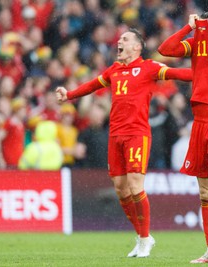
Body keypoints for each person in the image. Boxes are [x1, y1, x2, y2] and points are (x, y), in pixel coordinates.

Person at [56, 28, 192, 258]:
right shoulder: (114, 70)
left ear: (137, 47)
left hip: (137, 134)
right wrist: (69, 95)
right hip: (115, 134)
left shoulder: (150, 67)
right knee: (120, 189)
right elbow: (92, 85)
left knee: (135, 184)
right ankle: (142, 237)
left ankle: (145, 239)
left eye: (125, 39)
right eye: (119, 38)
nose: (119, 41)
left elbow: (180, 74)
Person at [158, 9, 208, 264]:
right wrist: (188, 27)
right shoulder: (196, 43)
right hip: (200, 123)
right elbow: (166, 49)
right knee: (205, 193)